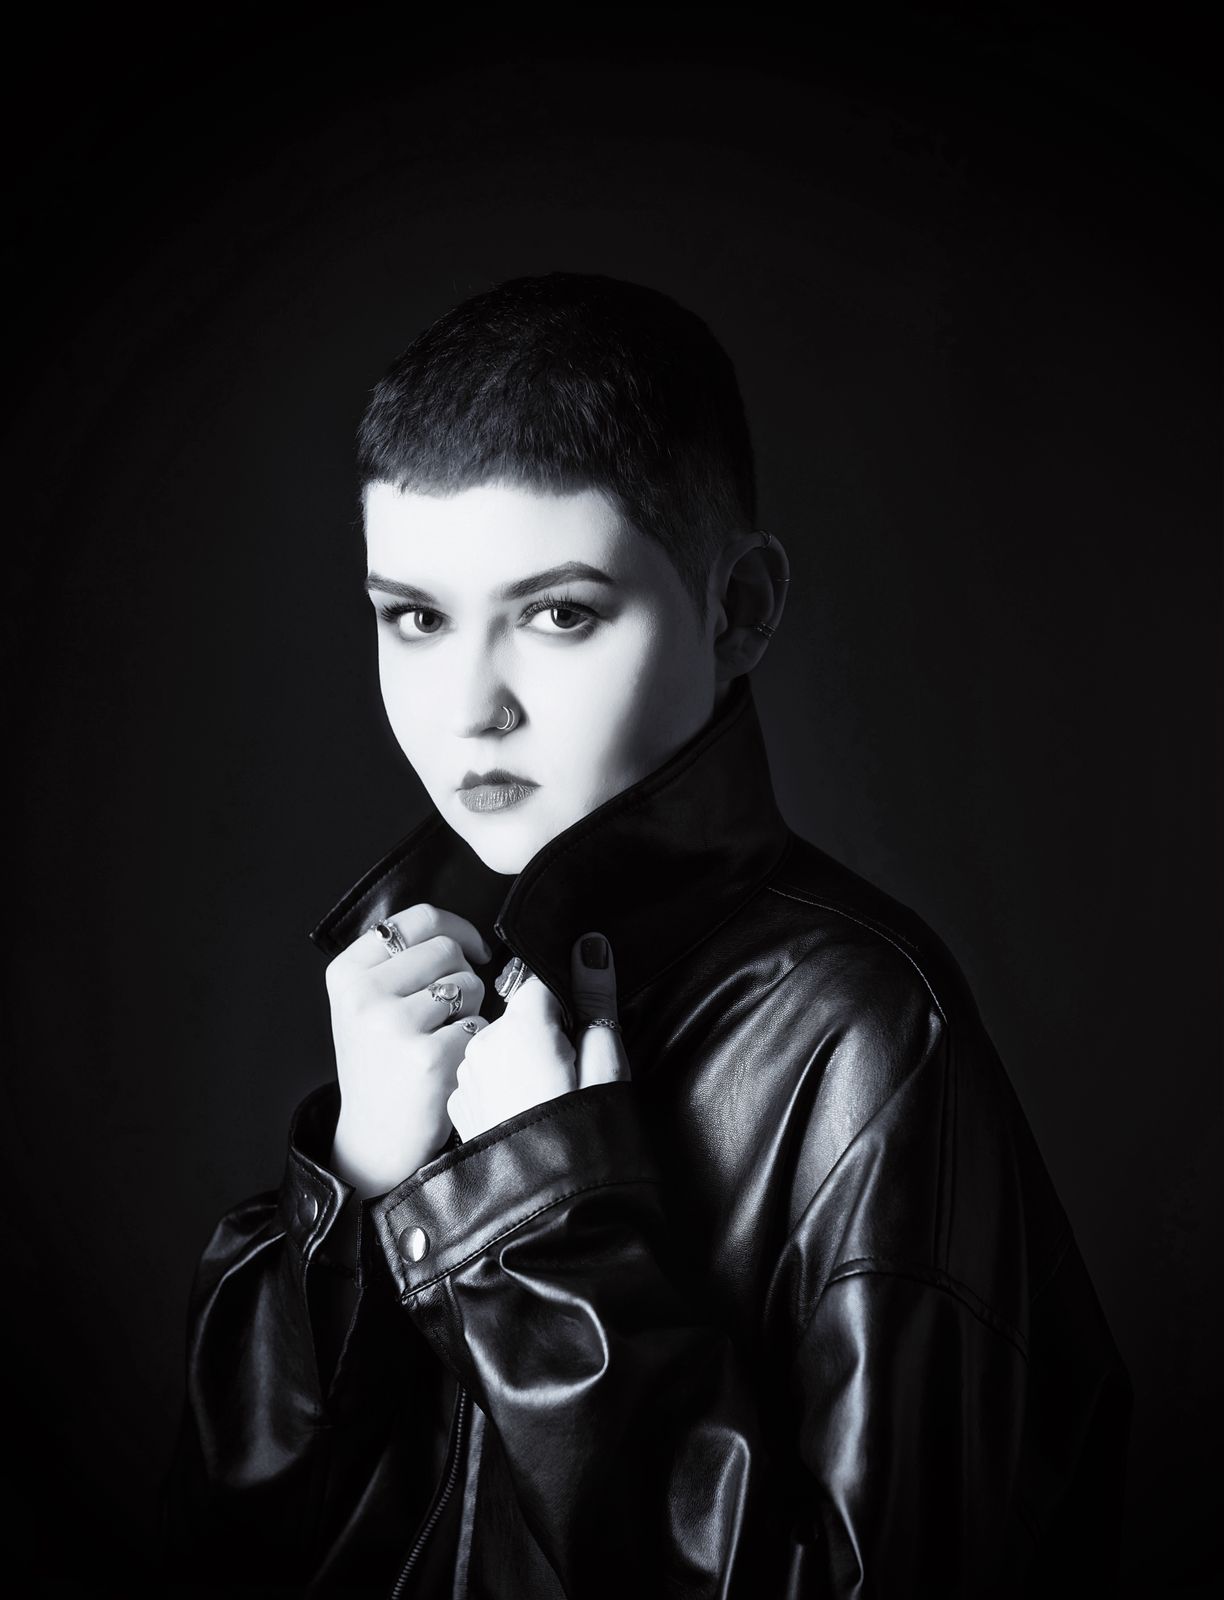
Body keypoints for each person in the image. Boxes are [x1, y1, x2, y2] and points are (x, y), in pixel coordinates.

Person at [159, 273, 1131, 1598]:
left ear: (739, 609)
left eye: (558, 613)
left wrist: (542, 1226)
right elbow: (219, 1548)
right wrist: (360, 1180)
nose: (471, 707)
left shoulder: (867, 1034)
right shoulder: (421, 993)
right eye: (417, 618)